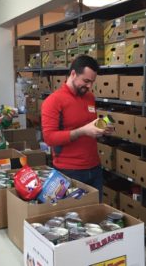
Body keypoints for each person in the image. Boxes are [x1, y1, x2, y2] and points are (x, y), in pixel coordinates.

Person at [41, 55, 113, 202]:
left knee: (94, 213)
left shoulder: (89, 97)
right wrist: (82, 131)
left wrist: (101, 129)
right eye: (86, 81)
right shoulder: (53, 101)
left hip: (94, 168)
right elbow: (49, 138)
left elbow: (90, 125)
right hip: (69, 172)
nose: (89, 86)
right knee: (72, 218)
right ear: (73, 74)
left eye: (92, 82)